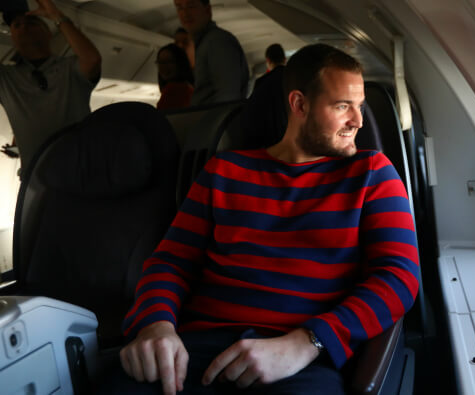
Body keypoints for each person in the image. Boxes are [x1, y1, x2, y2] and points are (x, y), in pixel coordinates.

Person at [103, 43, 419, 395]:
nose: (358, 121)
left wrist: (308, 342)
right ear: (299, 104)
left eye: (359, 106)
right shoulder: (224, 171)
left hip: (298, 359)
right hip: (195, 349)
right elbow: (171, 262)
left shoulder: (372, 172)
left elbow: (398, 277)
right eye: (343, 106)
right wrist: (155, 324)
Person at [0, 0, 101, 170]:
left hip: (82, 173)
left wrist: (56, 15)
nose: (23, 27)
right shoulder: (6, 79)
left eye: (31, 22)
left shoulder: (70, 68)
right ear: (12, 37)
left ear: (49, 33)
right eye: (16, 25)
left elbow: (92, 60)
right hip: (36, 181)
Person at [174, 0, 249, 106]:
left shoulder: (217, 42)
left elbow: (227, 99)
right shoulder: (204, 43)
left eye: (191, 6)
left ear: (207, 10)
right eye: (179, 7)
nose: (185, 13)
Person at [240, 43, 287, 149]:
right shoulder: (294, 79)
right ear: (284, 59)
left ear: (268, 61)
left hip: (271, 137)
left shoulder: (262, 82)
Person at [156, 43, 194, 110]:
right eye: (160, 62)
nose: (163, 67)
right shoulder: (189, 87)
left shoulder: (172, 90)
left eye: (169, 61)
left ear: (180, 63)